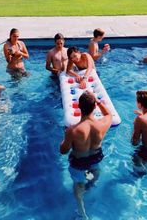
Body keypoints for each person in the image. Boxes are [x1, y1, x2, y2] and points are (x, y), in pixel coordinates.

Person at [60, 91, 112, 219]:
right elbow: (109, 114)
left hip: (78, 162)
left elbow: (63, 151)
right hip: (95, 159)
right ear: (94, 107)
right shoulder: (102, 125)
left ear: (78, 106)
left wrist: (64, 140)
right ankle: (91, 186)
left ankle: (82, 211)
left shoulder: (72, 130)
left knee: (78, 184)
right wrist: (99, 102)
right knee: (94, 174)